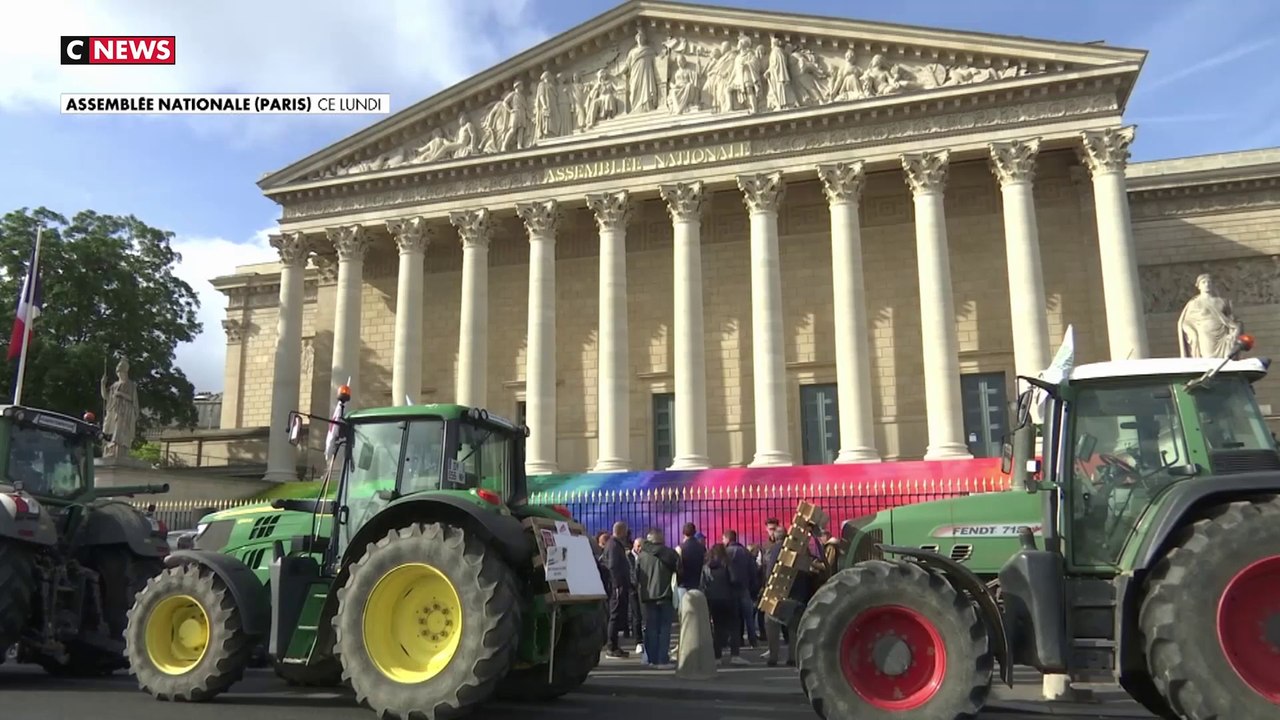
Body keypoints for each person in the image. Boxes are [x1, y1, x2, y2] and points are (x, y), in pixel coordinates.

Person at [635, 527, 679, 668]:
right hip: (665, 594)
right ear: (661, 539)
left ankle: (651, 659)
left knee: (651, 628)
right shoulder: (669, 553)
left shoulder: (641, 556)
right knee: (664, 628)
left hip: (648, 596)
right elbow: (679, 570)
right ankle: (662, 659)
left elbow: (635, 576)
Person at [701, 542, 747, 666]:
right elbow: (734, 580)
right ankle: (734, 655)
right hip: (729, 598)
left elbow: (703, 584)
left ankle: (717, 657)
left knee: (717, 628)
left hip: (713, 600)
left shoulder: (707, 566)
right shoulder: (727, 564)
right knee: (734, 627)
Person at [723, 529, 759, 649]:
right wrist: (753, 586)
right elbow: (752, 569)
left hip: (731, 588)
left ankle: (737, 640)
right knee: (749, 617)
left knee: (735, 617)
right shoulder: (745, 551)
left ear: (727, 539)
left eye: (723, 538)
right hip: (744, 587)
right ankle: (753, 640)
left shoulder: (726, 552)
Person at [602, 521, 632, 658]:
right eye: (625, 531)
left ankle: (614, 645)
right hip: (617, 586)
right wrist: (617, 585)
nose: (626, 534)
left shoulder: (613, 544)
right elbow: (613, 566)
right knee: (614, 616)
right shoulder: (614, 545)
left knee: (616, 615)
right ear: (621, 531)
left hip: (617, 585)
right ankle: (611, 646)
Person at [675, 522, 705, 612]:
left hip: (683, 584)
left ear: (683, 533)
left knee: (685, 611)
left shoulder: (680, 548)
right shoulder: (702, 548)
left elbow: (677, 566)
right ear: (695, 532)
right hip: (698, 583)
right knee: (697, 611)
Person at [629, 537, 645, 651]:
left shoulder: (644, 557)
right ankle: (638, 641)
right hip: (632, 589)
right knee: (636, 616)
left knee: (643, 615)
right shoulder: (628, 557)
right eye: (638, 546)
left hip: (643, 589)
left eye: (641, 546)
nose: (639, 548)